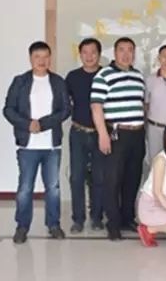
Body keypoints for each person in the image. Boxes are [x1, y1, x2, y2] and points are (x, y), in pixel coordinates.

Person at [3, 41, 71, 244]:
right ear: (30, 59)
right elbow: (8, 109)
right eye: (37, 57)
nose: (42, 61)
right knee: (25, 188)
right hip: (27, 146)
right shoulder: (20, 82)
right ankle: (22, 226)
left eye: (45, 57)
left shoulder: (58, 82)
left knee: (53, 188)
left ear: (50, 58)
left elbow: (66, 110)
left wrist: (42, 124)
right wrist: (27, 124)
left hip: (51, 146)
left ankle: (54, 225)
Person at [90, 37, 146, 241]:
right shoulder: (103, 75)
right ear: (114, 53)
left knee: (132, 179)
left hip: (137, 134)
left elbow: (141, 105)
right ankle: (113, 223)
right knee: (112, 180)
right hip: (115, 134)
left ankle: (127, 218)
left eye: (130, 50)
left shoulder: (138, 76)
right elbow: (96, 107)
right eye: (122, 50)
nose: (126, 54)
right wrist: (102, 134)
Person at [65, 38, 104, 234]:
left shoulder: (106, 74)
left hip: (101, 134)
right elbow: (66, 102)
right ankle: (78, 219)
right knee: (76, 177)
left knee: (99, 177)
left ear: (99, 54)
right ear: (80, 54)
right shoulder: (72, 77)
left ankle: (97, 217)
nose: (89, 56)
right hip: (78, 132)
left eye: (93, 52)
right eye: (85, 53)